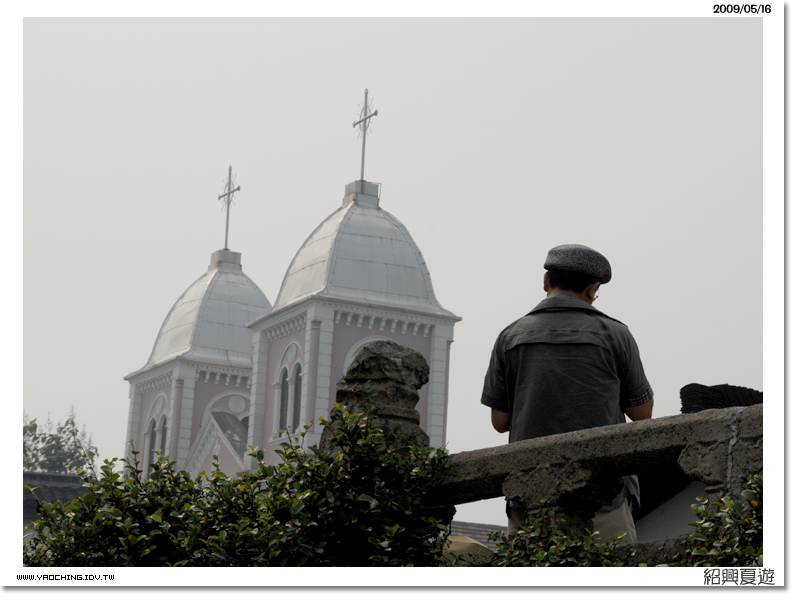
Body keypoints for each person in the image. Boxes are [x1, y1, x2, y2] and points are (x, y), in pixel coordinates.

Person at [480, 244, 654, 543]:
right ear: (592, 289)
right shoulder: (616, 334)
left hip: (529, 491)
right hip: (603, 492)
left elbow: (500, 421)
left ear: (546, 282)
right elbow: (642, 413)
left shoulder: (510, 336)